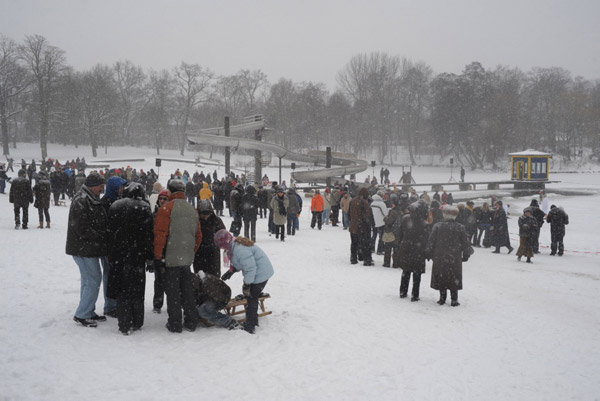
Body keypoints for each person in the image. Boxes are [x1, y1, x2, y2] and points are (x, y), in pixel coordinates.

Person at [153, 179, 202, 333]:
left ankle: (175, 323)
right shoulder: (192, 209)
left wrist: (158, 256)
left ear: (170, 191)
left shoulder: (166, 208)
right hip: (186, 257)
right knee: (187, 290)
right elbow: (198, 236)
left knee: (173, 292)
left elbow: (160, 235)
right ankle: (191, 320)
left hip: (171, 257)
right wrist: (190, 251)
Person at [66, 172, 114, 327]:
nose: (102, 189)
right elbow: (82, 227)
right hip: (83, 249)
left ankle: (87, 310)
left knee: (89, 280)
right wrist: (101, 236)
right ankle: (83, 314)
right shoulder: (81, 200)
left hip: (87, 248)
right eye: (101, 186)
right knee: (93, 279)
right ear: (93, 185)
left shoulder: (89, 198)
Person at [107, 183, 154, 334]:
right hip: (137, 255)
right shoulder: (144, 207)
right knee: (137, 289)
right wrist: (149, 256)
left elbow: (109, 231)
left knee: (122, 290)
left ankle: (124, 323)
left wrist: (110, 251)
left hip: (118, 255)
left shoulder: (115, 206)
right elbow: (148, 235)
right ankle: (137, 321)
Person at [215, 230, 274, 334]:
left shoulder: (239, 250)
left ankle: (250, 326)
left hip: (261, 273)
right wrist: (231, 271)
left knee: (251, 298)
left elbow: (250, 268)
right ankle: (253, 321)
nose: (221, 249)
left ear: (225, 243)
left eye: (221, 246)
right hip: (258, 272)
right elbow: (240, 263)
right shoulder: (233, 246)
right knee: (251, 296)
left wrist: (247, 284)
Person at [426, 205, 473, 306]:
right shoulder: (460, 227)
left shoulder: (438, 226)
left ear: (444, 214)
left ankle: (442, 298)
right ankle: (454, 299)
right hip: (454, 256)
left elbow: (431, 242)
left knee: (442, 276)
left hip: (440, 256)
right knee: (453, 276)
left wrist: (429, 253)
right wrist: (466, 254)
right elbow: (466, 243)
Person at [397, 200, 430, 301]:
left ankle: (403, 291)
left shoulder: (405, 218)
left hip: (406, 247)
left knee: (405, 271)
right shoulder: (424, 223)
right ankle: (415, 295)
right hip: (419, 250)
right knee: (417, 274)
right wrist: (427, 253)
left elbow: (400, 234)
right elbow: (426, 240)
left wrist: (400, 245)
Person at [194, 199, 226, 276]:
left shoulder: (216, 220)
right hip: (199, 253)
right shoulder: (194, 221)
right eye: (203, 214)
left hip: (213, 253)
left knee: (214, 277)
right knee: (200, 277)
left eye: (207, 214)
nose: (205, 217)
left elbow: (223, 235)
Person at [151, 189, 170, 313]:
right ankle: (157, 304)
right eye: (160, 198)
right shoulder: (154, 213)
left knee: (170, 279)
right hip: (159, 250)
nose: (162, 201)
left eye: (165, 199)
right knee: (159, 280)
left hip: (169, 250)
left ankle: (172, 304)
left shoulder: (171, 213)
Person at [349, 187, 374, 266]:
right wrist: (369, 224)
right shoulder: (364, 202)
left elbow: (348, 213)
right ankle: (367, 260)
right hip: (362, 227)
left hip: (353, 226)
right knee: (365, 244)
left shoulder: (352, 201)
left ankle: (353, 259)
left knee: (354, 243)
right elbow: (366, 216)